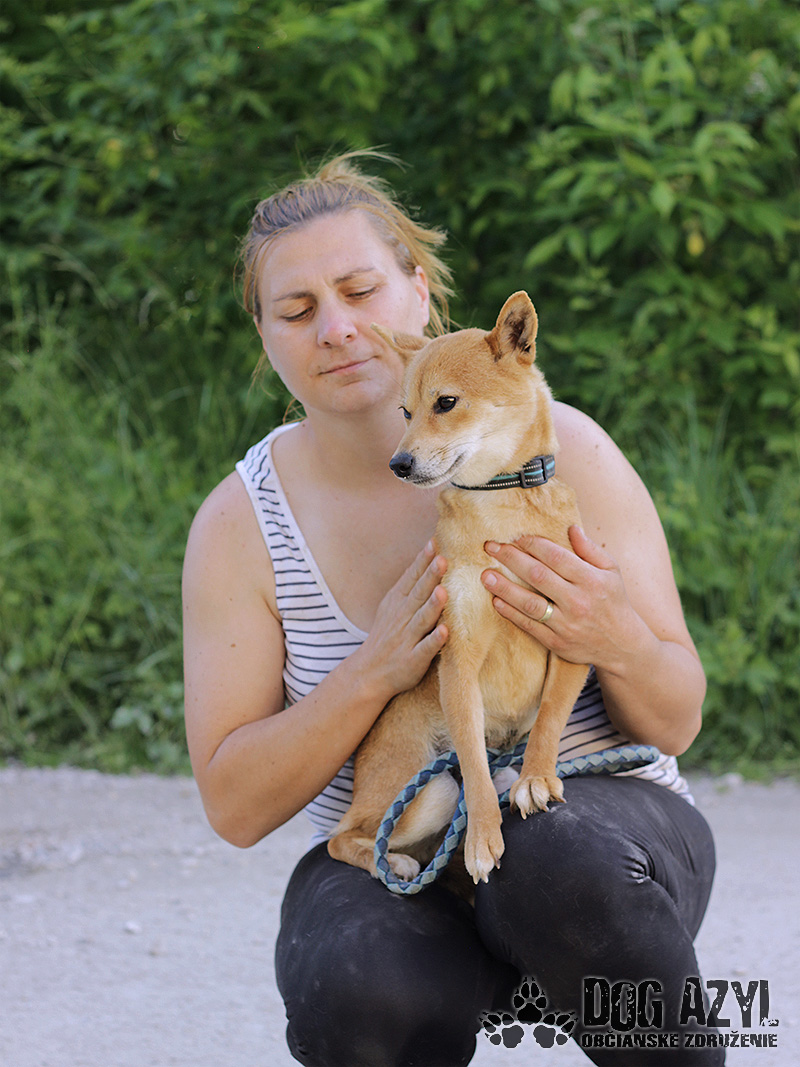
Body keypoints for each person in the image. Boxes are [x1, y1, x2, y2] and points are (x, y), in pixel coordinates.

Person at [182, 151, 722, 1066]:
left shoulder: (567, 452)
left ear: (419, 289)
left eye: (360, 290)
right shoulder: (241, 524)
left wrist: (616, 637)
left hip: (601, 847)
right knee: (356, 981)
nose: (339, 329)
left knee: (557, 860)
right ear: (264, 335)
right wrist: (374, 672)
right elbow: (234, 807)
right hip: (411, 848)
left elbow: (677, 718)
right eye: (297, 310)